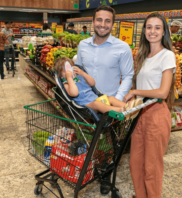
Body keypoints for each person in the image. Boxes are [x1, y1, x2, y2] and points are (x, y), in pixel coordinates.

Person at [76, 5, 134, 195]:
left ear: (112, 24)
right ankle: (84, 170)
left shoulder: (122, 48)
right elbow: (78, 70)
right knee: (86, 138)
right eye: (99, 20)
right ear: (93, 22)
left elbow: (128, 75)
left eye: (107, 21)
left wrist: (116, 100)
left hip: (109, 104)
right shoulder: (83, 45)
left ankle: (104, 176)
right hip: (86, 105)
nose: (103, 24)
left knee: (107, 145)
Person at [122, 12, 176, 198]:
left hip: (157, 113)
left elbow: (162, 92)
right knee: (135, 164)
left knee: (152, 168)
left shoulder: (167, 56)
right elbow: (142, 84)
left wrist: (136, 92)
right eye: (149, 27)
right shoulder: (143, 55)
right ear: (144, 30)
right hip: (140, 113)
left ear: (163, 32)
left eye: (157, 27)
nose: (152, 31)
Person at [53, 57, 137, 113]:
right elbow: (74, 93)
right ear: (60, 75)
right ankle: (120, 110)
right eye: (65, 71)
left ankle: (129, 106)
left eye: (70, 68)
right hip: (86, 106)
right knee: (98, 104)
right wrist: (69, 78)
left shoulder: (80, 77)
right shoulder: (67, 84)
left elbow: (92, 83)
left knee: (111, 98)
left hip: (96, 99)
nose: (69, 71)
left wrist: (83, 74)